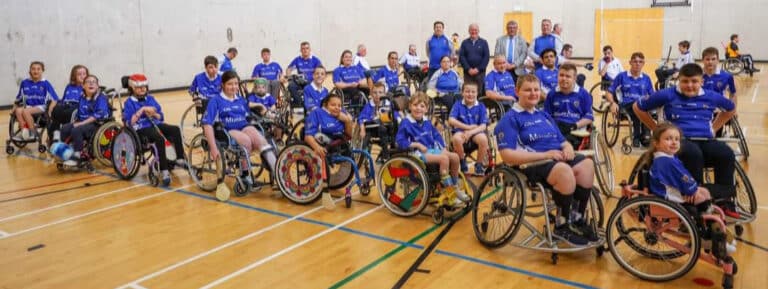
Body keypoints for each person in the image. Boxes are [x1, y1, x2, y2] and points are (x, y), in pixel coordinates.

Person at [495, 74, 597, 245]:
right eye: (528, 90)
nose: (533, 93)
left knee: (587, 165)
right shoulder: (509, 119)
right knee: (564, 172)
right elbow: (507, 155)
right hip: (532, 163)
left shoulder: (544, 116)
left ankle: (577, 217)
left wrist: (567, 147)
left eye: (536, 89)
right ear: (517, 91)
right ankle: (561, 225)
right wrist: (546, 154)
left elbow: (561, 140)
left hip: (554, 157)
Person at [634, 63, 739, 218]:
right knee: (693, 153)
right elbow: (638, 107)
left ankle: (724, 201)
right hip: (680, 141)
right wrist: (656, 129)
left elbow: (731, 109)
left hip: (705, 139)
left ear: (701, 81)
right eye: (685, 81)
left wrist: (714, 128)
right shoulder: (667, 94)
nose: (689, 85)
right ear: (679, 81)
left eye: (694, 81)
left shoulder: (710, 96)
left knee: (726, 153)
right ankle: (694, 202)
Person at [631, 123, 736, 254]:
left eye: (676, 139)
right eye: (668, 139)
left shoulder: (667, 158)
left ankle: (713, 230)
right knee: (701, 196)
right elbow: (683, 178)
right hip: (667, 197)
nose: (674, 142)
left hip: (671, 192)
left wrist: (692, 189)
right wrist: (692, 190)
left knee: (703, 193)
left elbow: (682, 177)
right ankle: (707, 236)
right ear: (656, 143)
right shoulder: (666, 162)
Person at [202, 71, 278, 185]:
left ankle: (278, 173)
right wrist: (213, 148)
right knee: (246, 141)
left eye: (236, 84)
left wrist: (265, 112)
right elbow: (207, 124)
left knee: (262, 141)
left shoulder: (241, 100)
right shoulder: (215, 101)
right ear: (222, 85)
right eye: (230, 84)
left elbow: (249, 113)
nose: (234, 87)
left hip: (244, 125)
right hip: (226, 130)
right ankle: (245, 174)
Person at [396, 92, 469, 203]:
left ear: (426, 109)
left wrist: (443, 147)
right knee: (444, 159)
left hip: (431, 150)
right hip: (416, 154)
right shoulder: (405, 123)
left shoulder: (426, 121)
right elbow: (400, 141)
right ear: (410, 106)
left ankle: (454, 186)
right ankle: (449, 190)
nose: (418, 109)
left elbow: (436, 136)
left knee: (455, 157)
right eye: (415, 105)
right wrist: (417, 144)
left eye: (422, 106)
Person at [122, 74, 186, 186]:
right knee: (159, 138)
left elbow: (161, 116)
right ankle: (164, 170)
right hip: (141, 129)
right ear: (132, 88)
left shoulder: (150, 99)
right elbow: (129, 123)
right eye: (139, 87)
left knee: (175, 129)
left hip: (155, 124)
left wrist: (154, 114)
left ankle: (180, 159)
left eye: (144, 87)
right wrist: (141, 110)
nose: (142, 89)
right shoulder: (129, 102)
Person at [58, 74, 110, 166]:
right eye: (88, 82)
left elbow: (97, 115)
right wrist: (76, 122)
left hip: (97, 124)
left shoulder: (101, 98)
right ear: (83, 86)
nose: (91, 84)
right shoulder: (82, 98)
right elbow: (80, 114)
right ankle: (66, 152)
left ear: (97, 86)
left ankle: (77, 156)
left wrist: (80, 123)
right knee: (65, 128)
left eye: (93, 82)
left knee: (76, 130)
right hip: (83, 122)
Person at [607, 52, 654, 147]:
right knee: (638, 106)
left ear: (643, 64)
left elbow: (652, 95)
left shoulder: (646, 78)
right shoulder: (622, 76)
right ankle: (641, 136)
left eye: (640, 62)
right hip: (626, 106)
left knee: (644, 107)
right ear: (630, 62)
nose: (638, 64)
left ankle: (644, 136)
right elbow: (609, 92)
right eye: (635, 61)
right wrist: (612, 103)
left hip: (642, 106)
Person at [543, 63, 594, 149]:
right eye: (561, 75)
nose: (564, 79)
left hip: (575, 129)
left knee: (563, 146)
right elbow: (546, 116)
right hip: (556, 129)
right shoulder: (552, 94)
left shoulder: (583, 94)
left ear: (574, 78)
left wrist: (574, 126)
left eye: (568, 76)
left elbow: (589, 117)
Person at [448, 82, 489, 176]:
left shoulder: (481, 106)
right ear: (462, 93)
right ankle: (462, 162)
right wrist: (467, 127)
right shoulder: (458, 104)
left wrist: (470, 132)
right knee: (456, 139)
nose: (470, 94)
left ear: (477, 93)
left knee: (483, 139)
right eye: (467, 91)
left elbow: (483, 125)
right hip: (461, 130)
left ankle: (478, 164)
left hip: (476, 132)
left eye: (473, 92)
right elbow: (451, 120)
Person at [12, 61, 59, 141]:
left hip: (41, 106)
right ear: (30, 71)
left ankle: (32, 132)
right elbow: (19, 97)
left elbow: (55, 99)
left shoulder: (45, 83)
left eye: (38, 69)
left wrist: (50, 110)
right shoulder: (24, 83)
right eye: (33, 69)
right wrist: (14, 107)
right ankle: (24, 131)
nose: (36, 71)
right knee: (18, 111)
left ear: (42, 71)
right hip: (28, 106)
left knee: (25, 111)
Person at [304, 93, 354, 160]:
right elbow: (308, 136)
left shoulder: (342, 113)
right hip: (321, 143)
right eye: (333, 105)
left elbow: (349, 135)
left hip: (339, 143)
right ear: (325, 105)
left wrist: (347, 121)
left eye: (339, 106)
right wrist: (317, 147)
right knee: (318, 136)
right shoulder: (316, 113)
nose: (337, 108)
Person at [48, 65, 88, 143]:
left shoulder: (87, 87)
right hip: (66, 104)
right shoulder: (69, 86)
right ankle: (55, 133)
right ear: (74, 76)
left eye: (84, 74)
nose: (82, 76)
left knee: (69, 112)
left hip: (77, 106)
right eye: (79, 74)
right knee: (56, 109)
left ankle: (65, 134)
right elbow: (63, 99)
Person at [247, 78, 283, 146]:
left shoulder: (268, 96)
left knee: (279, 119)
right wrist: (260, 105)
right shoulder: (253, 96)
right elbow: (249, 104)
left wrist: (270, 109)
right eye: (258, 87)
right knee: (273, 117)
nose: (261, 89)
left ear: (266, 89)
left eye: (263, 87)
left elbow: (273, 105)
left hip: (269, 113)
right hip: (258, 115)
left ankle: (278, 138)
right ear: (254, 89)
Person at [286, 41, 323, 107]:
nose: (305, 50)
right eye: (303, 49)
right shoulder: (297, 59)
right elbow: (289, 69)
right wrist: (289, 77)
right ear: (300, 50)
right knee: (290, 86)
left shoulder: (315, 60)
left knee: (309, 87)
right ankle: (300, 103)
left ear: (310, 49)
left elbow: (321, 71)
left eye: (307, 48)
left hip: (311, 81)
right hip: (299, 81)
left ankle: (309, 104)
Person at [458, 23, 490, 96]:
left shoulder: (483, 42)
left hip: (480, 73)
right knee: (468, 91)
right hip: (467, 73)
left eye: (475, 30)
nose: (473, 31)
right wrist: (468, 69)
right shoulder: (464, 42)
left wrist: (478, 69)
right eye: (472, 30)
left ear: (478, 31)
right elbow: (462, 57)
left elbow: (486, 57)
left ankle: (478, 106)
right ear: (469, 31)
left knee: (479, 91)